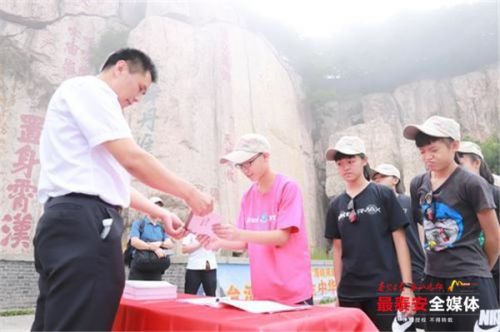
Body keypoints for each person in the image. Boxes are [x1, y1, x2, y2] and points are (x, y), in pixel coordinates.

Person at [33, 48, 213, 331]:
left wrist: (159, 213)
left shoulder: (88, 112)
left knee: (57, 320)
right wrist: (189, 192)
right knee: (83, 319)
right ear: (120, 68)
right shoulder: (92, 90)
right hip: (86, 223)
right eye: (140, 87)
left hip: (69, 221)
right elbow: (134, 159)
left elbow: (114, 184)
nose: (138, 99)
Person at [404, 116, 499, 331]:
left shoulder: (472, 183)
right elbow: (425, 225)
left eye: (433, 150)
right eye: (422, 152)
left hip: (469, 279)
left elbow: (494, 237)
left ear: (454, 145)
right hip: (432, 279)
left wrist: (480, 269)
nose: (427, 157)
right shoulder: (418, 183)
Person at [198, 133, 313, 305]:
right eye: (240, 165)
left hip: (292, 292)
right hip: (262, 293)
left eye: (249, 162)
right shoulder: (248, 197)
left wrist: (239, 233)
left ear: (266, 156)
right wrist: (218, 242)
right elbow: (243, 244)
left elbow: (282, 237)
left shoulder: (288, 188)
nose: (245, 169)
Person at [324, 136, 415, 331]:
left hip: (385, 290)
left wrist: (407, 288)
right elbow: (337, 250)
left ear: (364, 160)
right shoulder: (335, 205)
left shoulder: (383, 194)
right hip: (350, 293)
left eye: (351, 161)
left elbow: (400, 240)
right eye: (340, 164)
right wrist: (339, 291)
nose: (345, 168)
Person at [456, 141, 500, 300]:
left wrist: (486, 267)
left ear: (476, 163)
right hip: (466, 272)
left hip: (493, 271)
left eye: (459, 163)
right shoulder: (453, 197)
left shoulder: (495, 193)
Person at [371, 163, 425, 283]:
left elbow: (428, 226)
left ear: (395, 180)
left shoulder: (410, 202)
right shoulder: (371, 209)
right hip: (386, 271)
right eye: (374, 179)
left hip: (414, 267)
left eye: (383, 176)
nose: (377, 181)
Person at [128, 196, 175, 281]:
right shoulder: (139, 223)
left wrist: (160, 243)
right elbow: (134, 242)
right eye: (155, 206)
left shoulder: (161, 227)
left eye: (160, 207)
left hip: (156, 268)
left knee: (154, 294)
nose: (158, 209)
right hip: (139, 268)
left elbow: (170, 244)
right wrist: (153, 248)